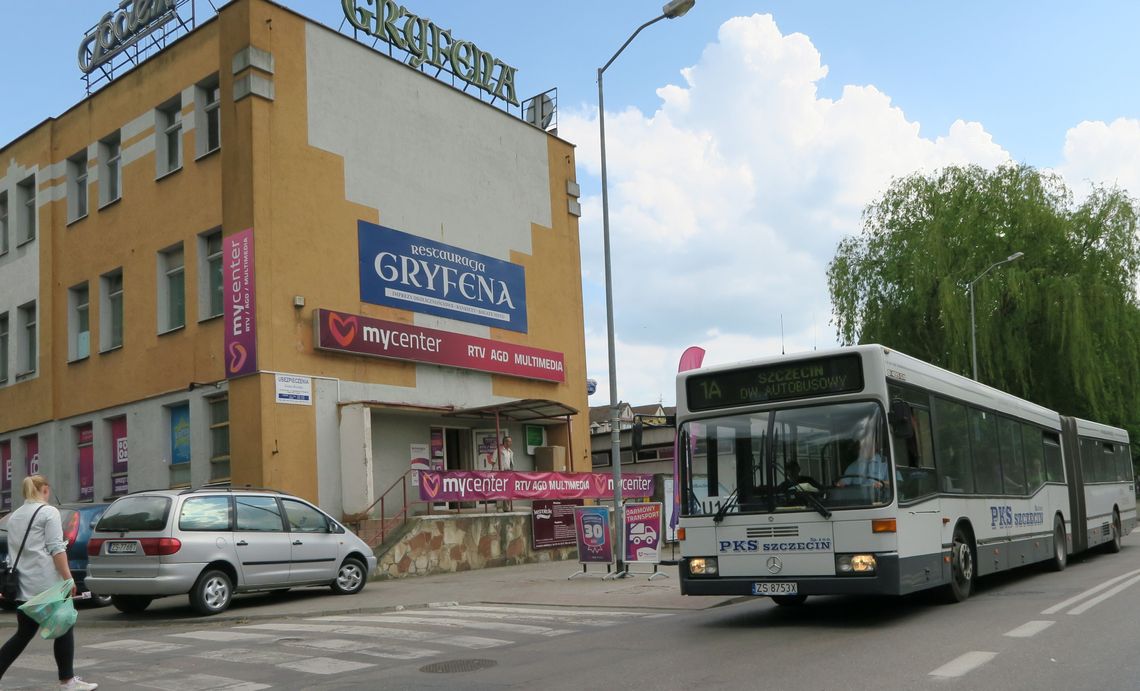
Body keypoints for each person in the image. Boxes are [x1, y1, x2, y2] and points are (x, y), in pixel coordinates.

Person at [0, 476, 98, 690]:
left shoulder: (14, 516)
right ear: (45, 489)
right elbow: (56, 549)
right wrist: (68, 578)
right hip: (47, 584)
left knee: (23, 634)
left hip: (22, 585)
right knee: (64, 626)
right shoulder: (49, 512)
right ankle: (67, 681)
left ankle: (67, 680)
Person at [836, 416, 889, 489]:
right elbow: (843, 482)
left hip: (882, 496)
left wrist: (883, 484)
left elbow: (898, 484)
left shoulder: (886, 463)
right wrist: (840, 484)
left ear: (875, 445)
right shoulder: (853, 466)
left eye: (867, 444)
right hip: (857, 495)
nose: (864, 447)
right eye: (862, 445)